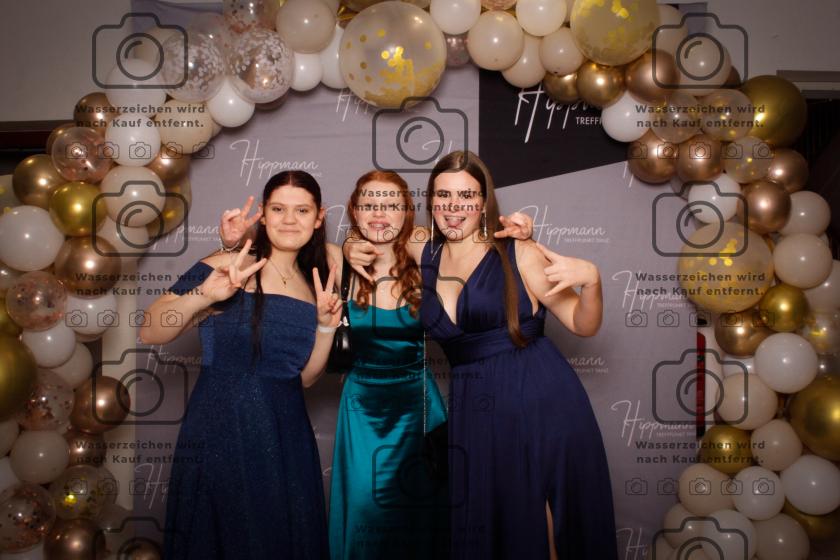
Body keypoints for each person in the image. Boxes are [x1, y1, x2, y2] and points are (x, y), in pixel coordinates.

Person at [220, 171, 534, 560]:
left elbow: (480, 253)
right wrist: (233, 243)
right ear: (354, 211)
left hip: (419, 410)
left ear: (407, 212)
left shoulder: (427, 255)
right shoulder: (336, 260)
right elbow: (282, 247)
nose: (379, 213)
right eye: (369, 205)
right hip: (363, 410)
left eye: (390, 205)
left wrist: (520, 236)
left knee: (421, 521)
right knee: (365, 516)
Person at [347, 151, 619, 559]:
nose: (454, 207)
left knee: (541, 521)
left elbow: (583, 324)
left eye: (467, 196)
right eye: (444, 196)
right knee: (496, 525)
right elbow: (381, 226)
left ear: (484, 201)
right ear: (431, 202)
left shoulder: (517, 252)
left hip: (536, 396)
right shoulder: (424, 249)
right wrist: (350, 245)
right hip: (474, 406)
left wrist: (592, 281)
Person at [141, 170, 343, 559]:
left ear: (319, 218)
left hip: (286, 434)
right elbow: (151, 330)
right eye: (278, 209)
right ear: (263, 215)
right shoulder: (229, 264)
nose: (289, 220)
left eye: (302, 210)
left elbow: (304, 379)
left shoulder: (312, 285)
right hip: (223, 428)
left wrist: (325, 327)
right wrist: (204, 295)